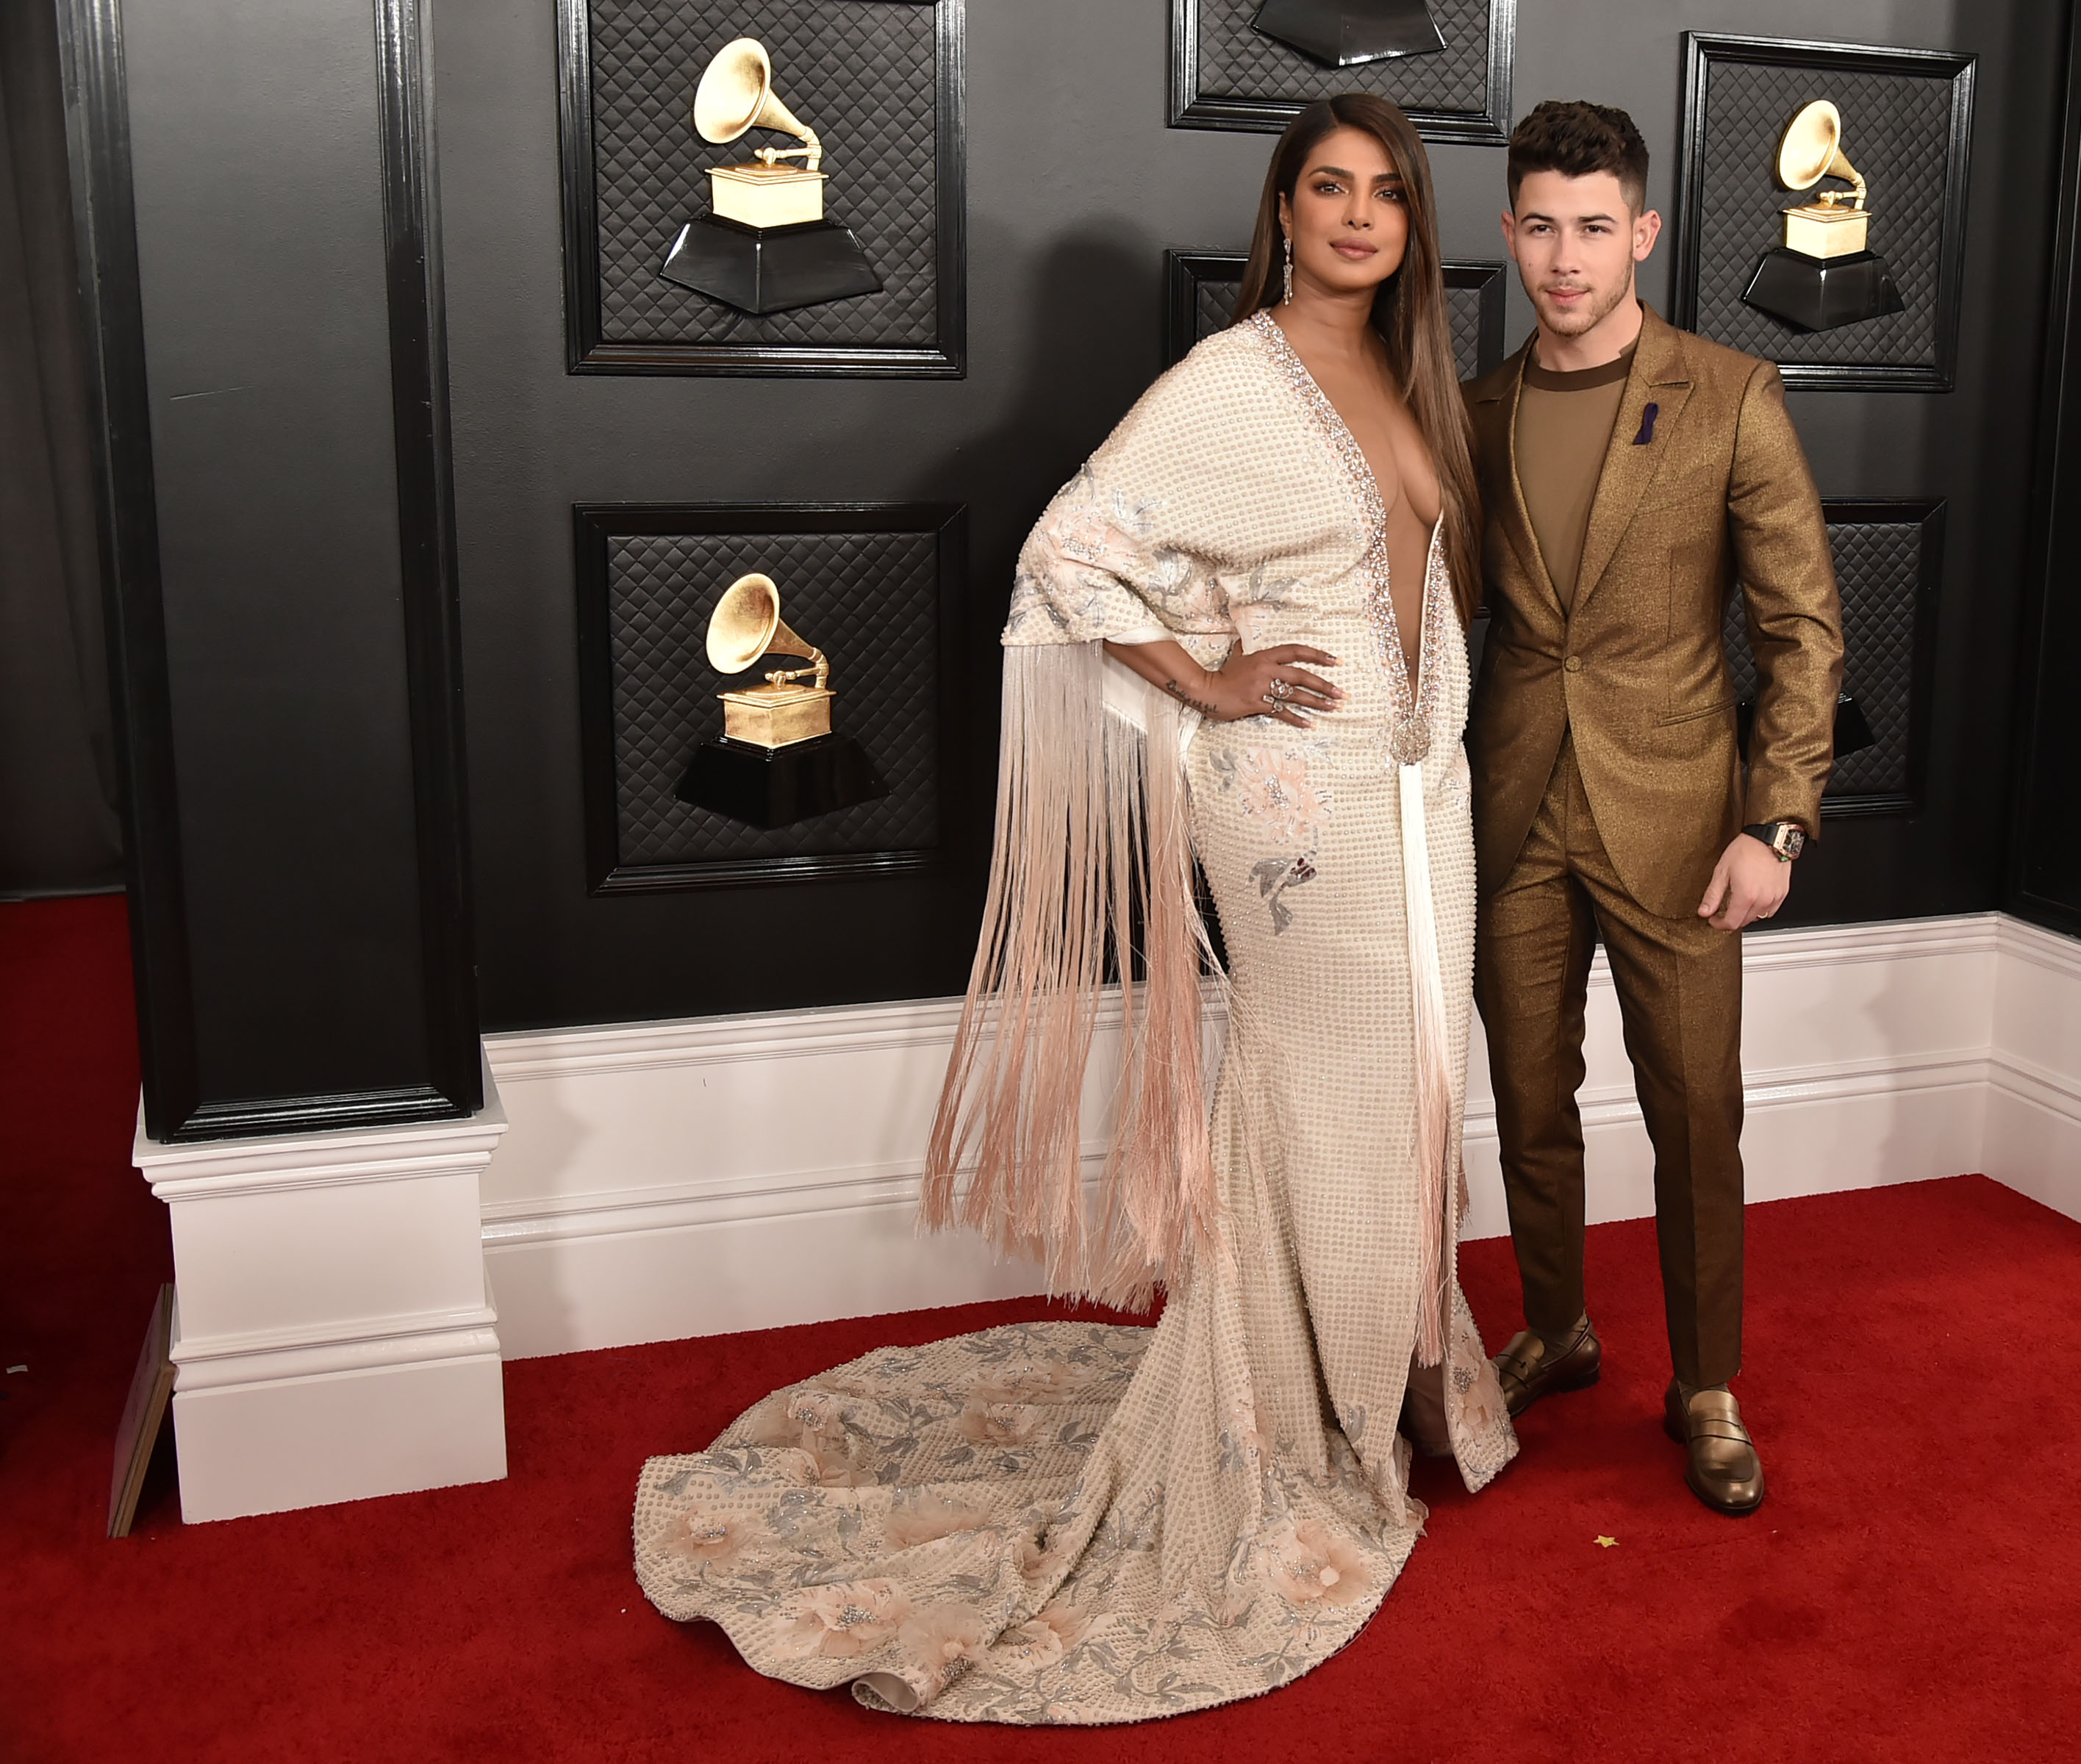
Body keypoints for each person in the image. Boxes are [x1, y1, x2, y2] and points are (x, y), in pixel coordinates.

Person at [629, 93, 1514, 1724]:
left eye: (1387, 192)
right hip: (1295, 806)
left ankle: (1365, 1381)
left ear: (1413, 225)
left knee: (1405, 1088)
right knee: (1321, 1092)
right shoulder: (1233, 380)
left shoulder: (1403, 376)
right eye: (1327, 187)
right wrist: (1209, 677)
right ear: (1285, 210)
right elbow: (1067, 556)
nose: (1358, 216)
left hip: (1421, 796)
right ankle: (1284, 1420)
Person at [1465, 101, 1844, 1516]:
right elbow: (1446, 617)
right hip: (1512, 809)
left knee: (1694, 1111)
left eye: (1594, 228)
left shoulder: (1732, 394)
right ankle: (1557, 1329)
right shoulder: (1476, 408)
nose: (1567, 259)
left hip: (1686, 820)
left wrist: (1779, 821)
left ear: (1644, 232)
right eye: (1542, 229)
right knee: (1523, 1098)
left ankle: (1705, 1386)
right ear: (1512, 236)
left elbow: (1801, 628)